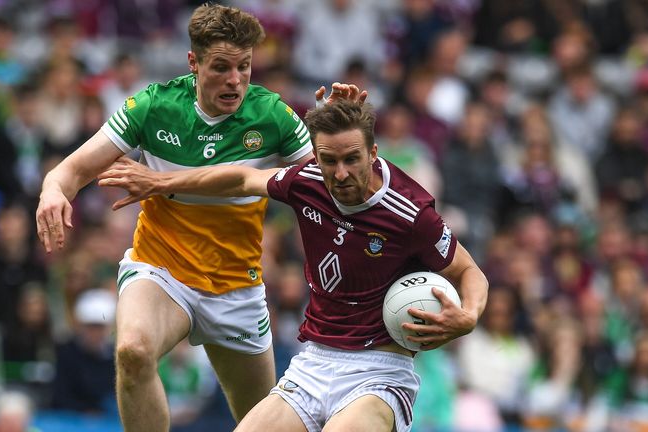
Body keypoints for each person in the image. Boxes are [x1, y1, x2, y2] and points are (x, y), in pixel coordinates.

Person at [34, 4, 364, 431]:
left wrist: (339, 129)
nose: (235, 80)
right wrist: (52, 191)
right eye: (221, 67)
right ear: (194, 63)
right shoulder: (153, 107)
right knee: (132, 351)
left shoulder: (274, 116)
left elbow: (342, 191)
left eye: (244, 67)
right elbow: (72, 169)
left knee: (260, 420)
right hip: (162, 270)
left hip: (236, 289)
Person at [97, 100, 489, 432]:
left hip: (379, 373)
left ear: (373, 152)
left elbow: (469, 271)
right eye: (329, 160)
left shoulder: (409, 212)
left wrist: (468, 316)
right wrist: (162, 182)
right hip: (314, 364)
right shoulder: (308, 180)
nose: (340, 174)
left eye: (352, 159)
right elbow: (239, 179)